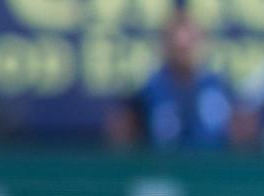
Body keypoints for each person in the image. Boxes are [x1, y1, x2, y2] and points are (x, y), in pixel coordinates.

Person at [107, 11, 253, 150]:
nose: (183, 52)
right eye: (177, 46)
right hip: (163, 171)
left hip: (213, 169)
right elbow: (126, 136)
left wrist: (242, 134)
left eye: (189, 44)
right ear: (165, 46)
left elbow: (241, 137)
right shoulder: (148, 92)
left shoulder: (220, 88)